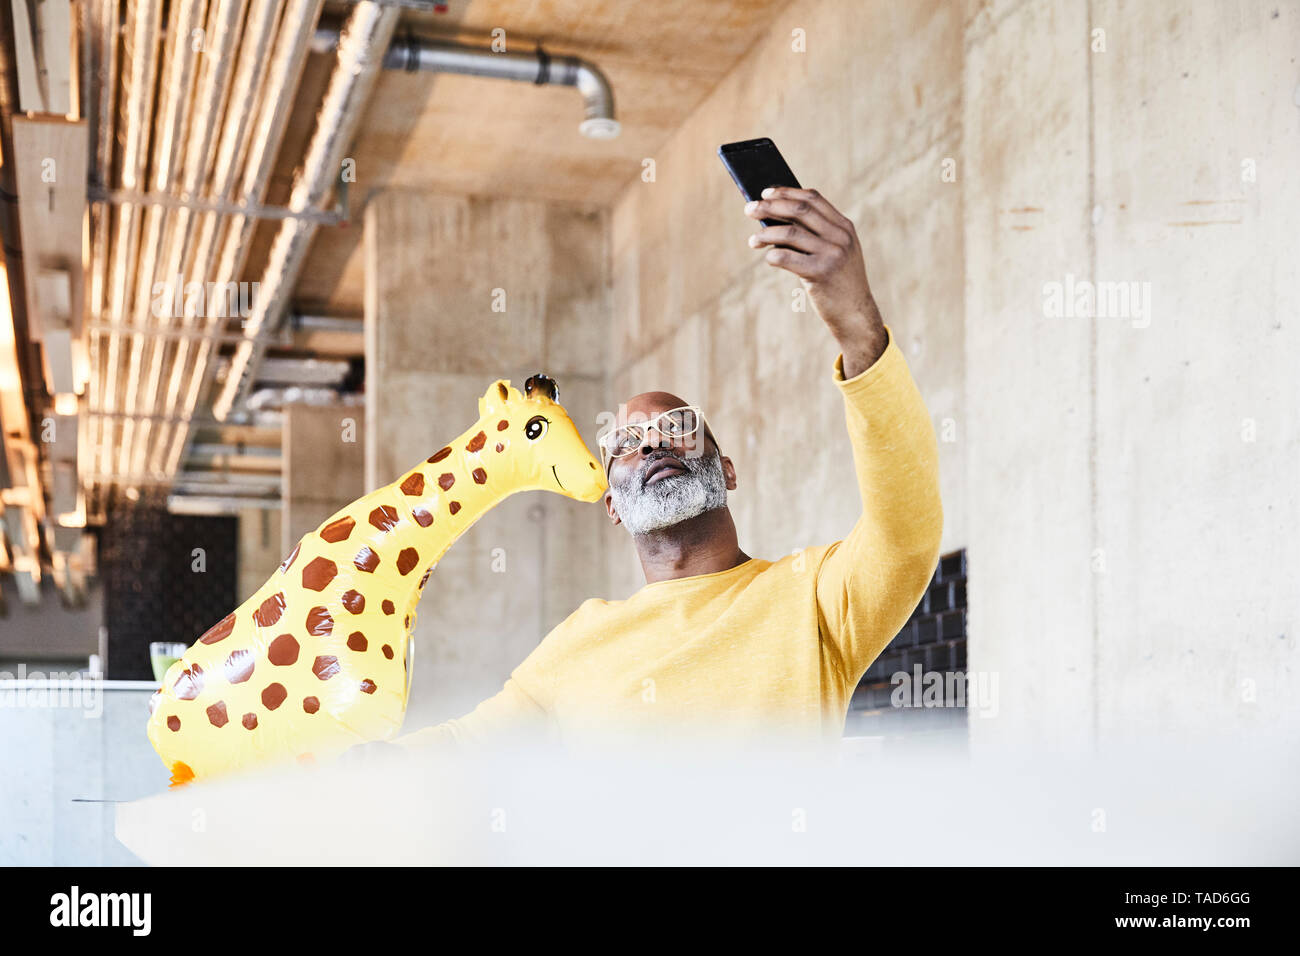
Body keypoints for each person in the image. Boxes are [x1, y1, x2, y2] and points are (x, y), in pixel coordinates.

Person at [393, 186, 943, 756]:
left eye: (676, 426)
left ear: (726, 470)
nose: (653, 443)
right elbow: (466, 745)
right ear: (612, 504)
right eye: (626, 443)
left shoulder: (812, 596)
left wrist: (858, 328)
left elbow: (905, 531)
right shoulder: (581, 640)